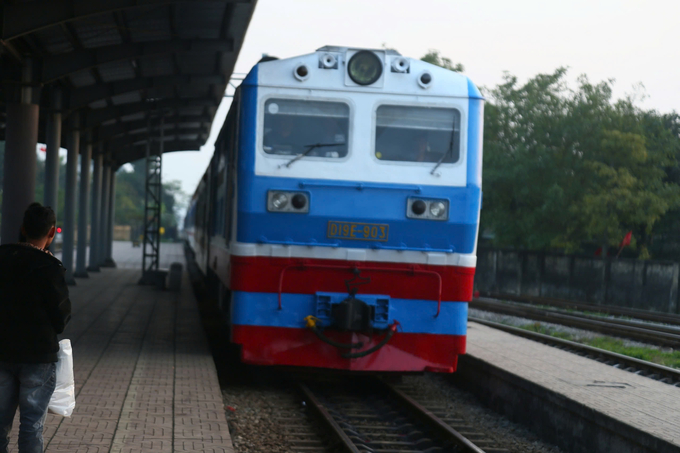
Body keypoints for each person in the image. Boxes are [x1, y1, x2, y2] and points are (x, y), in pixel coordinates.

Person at [0, 203, 71, 453]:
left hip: (2, 353)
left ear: (22, 229)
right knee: (31, 426)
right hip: (38, 357)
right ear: (52, 233)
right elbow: (61, 318)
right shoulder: (50, 268)